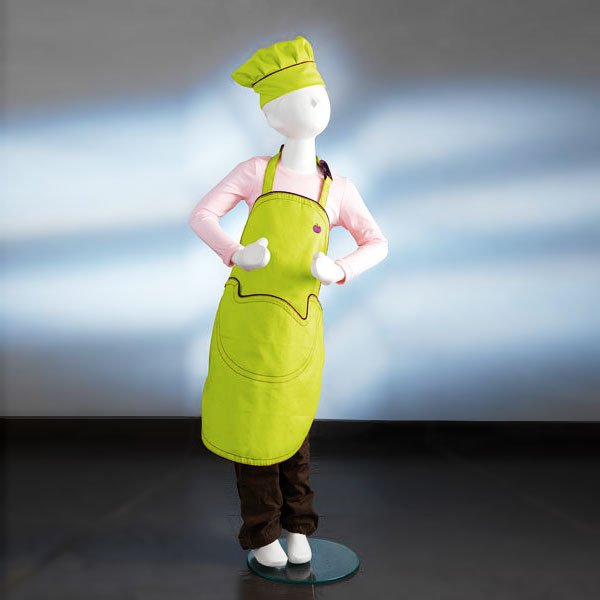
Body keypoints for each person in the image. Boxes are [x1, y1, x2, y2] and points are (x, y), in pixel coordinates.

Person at [189, 35, 388, 567]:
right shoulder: (255, 172)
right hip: (248, 323)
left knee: (292, 425)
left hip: (298, 327)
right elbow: (202, 215)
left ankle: (299, 526)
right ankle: (262, 533)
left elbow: (376, 242)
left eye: (318, 93)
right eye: (299, 98)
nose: (315, 104)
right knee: (252, 427)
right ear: (273, 116)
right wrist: (236, 252)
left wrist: (339, 268)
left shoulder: (337, 189)